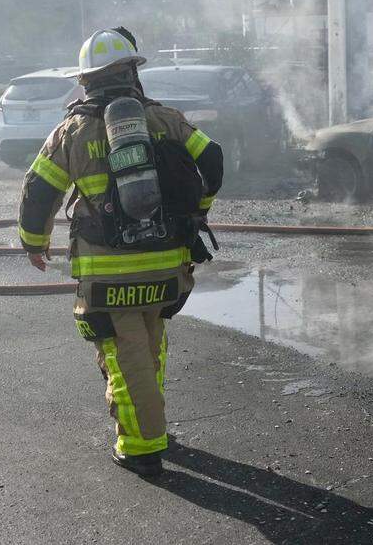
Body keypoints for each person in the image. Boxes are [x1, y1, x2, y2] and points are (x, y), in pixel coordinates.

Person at [17, 27, 223, 476]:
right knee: (150, 342)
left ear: (86, 80)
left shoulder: (71, 131)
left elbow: (38, 191)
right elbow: (213, 161)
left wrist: (35, 242)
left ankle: (141, 447)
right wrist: (199, 212)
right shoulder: (166, 120)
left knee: (122, 355)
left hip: (107, 271)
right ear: (133, 72)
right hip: (167, 264)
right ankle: (154, 424)